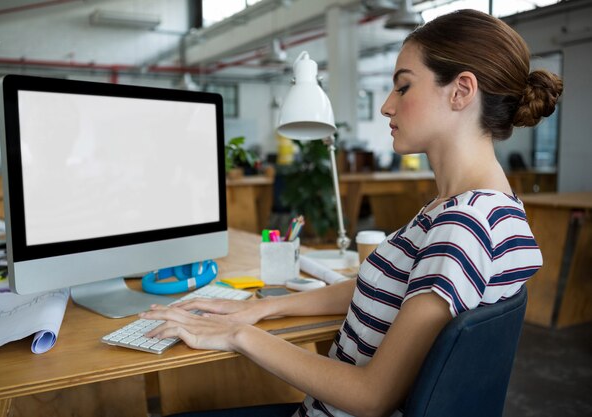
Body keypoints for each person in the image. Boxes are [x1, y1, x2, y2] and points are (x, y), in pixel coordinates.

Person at [140, 9, 563, 417]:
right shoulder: (488, 209)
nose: (386, 106)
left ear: (461, 91)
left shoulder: (463, 227)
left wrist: (238, 334)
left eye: (403, 87)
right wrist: (265, 309)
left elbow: (371, 397)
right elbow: (384, 284)